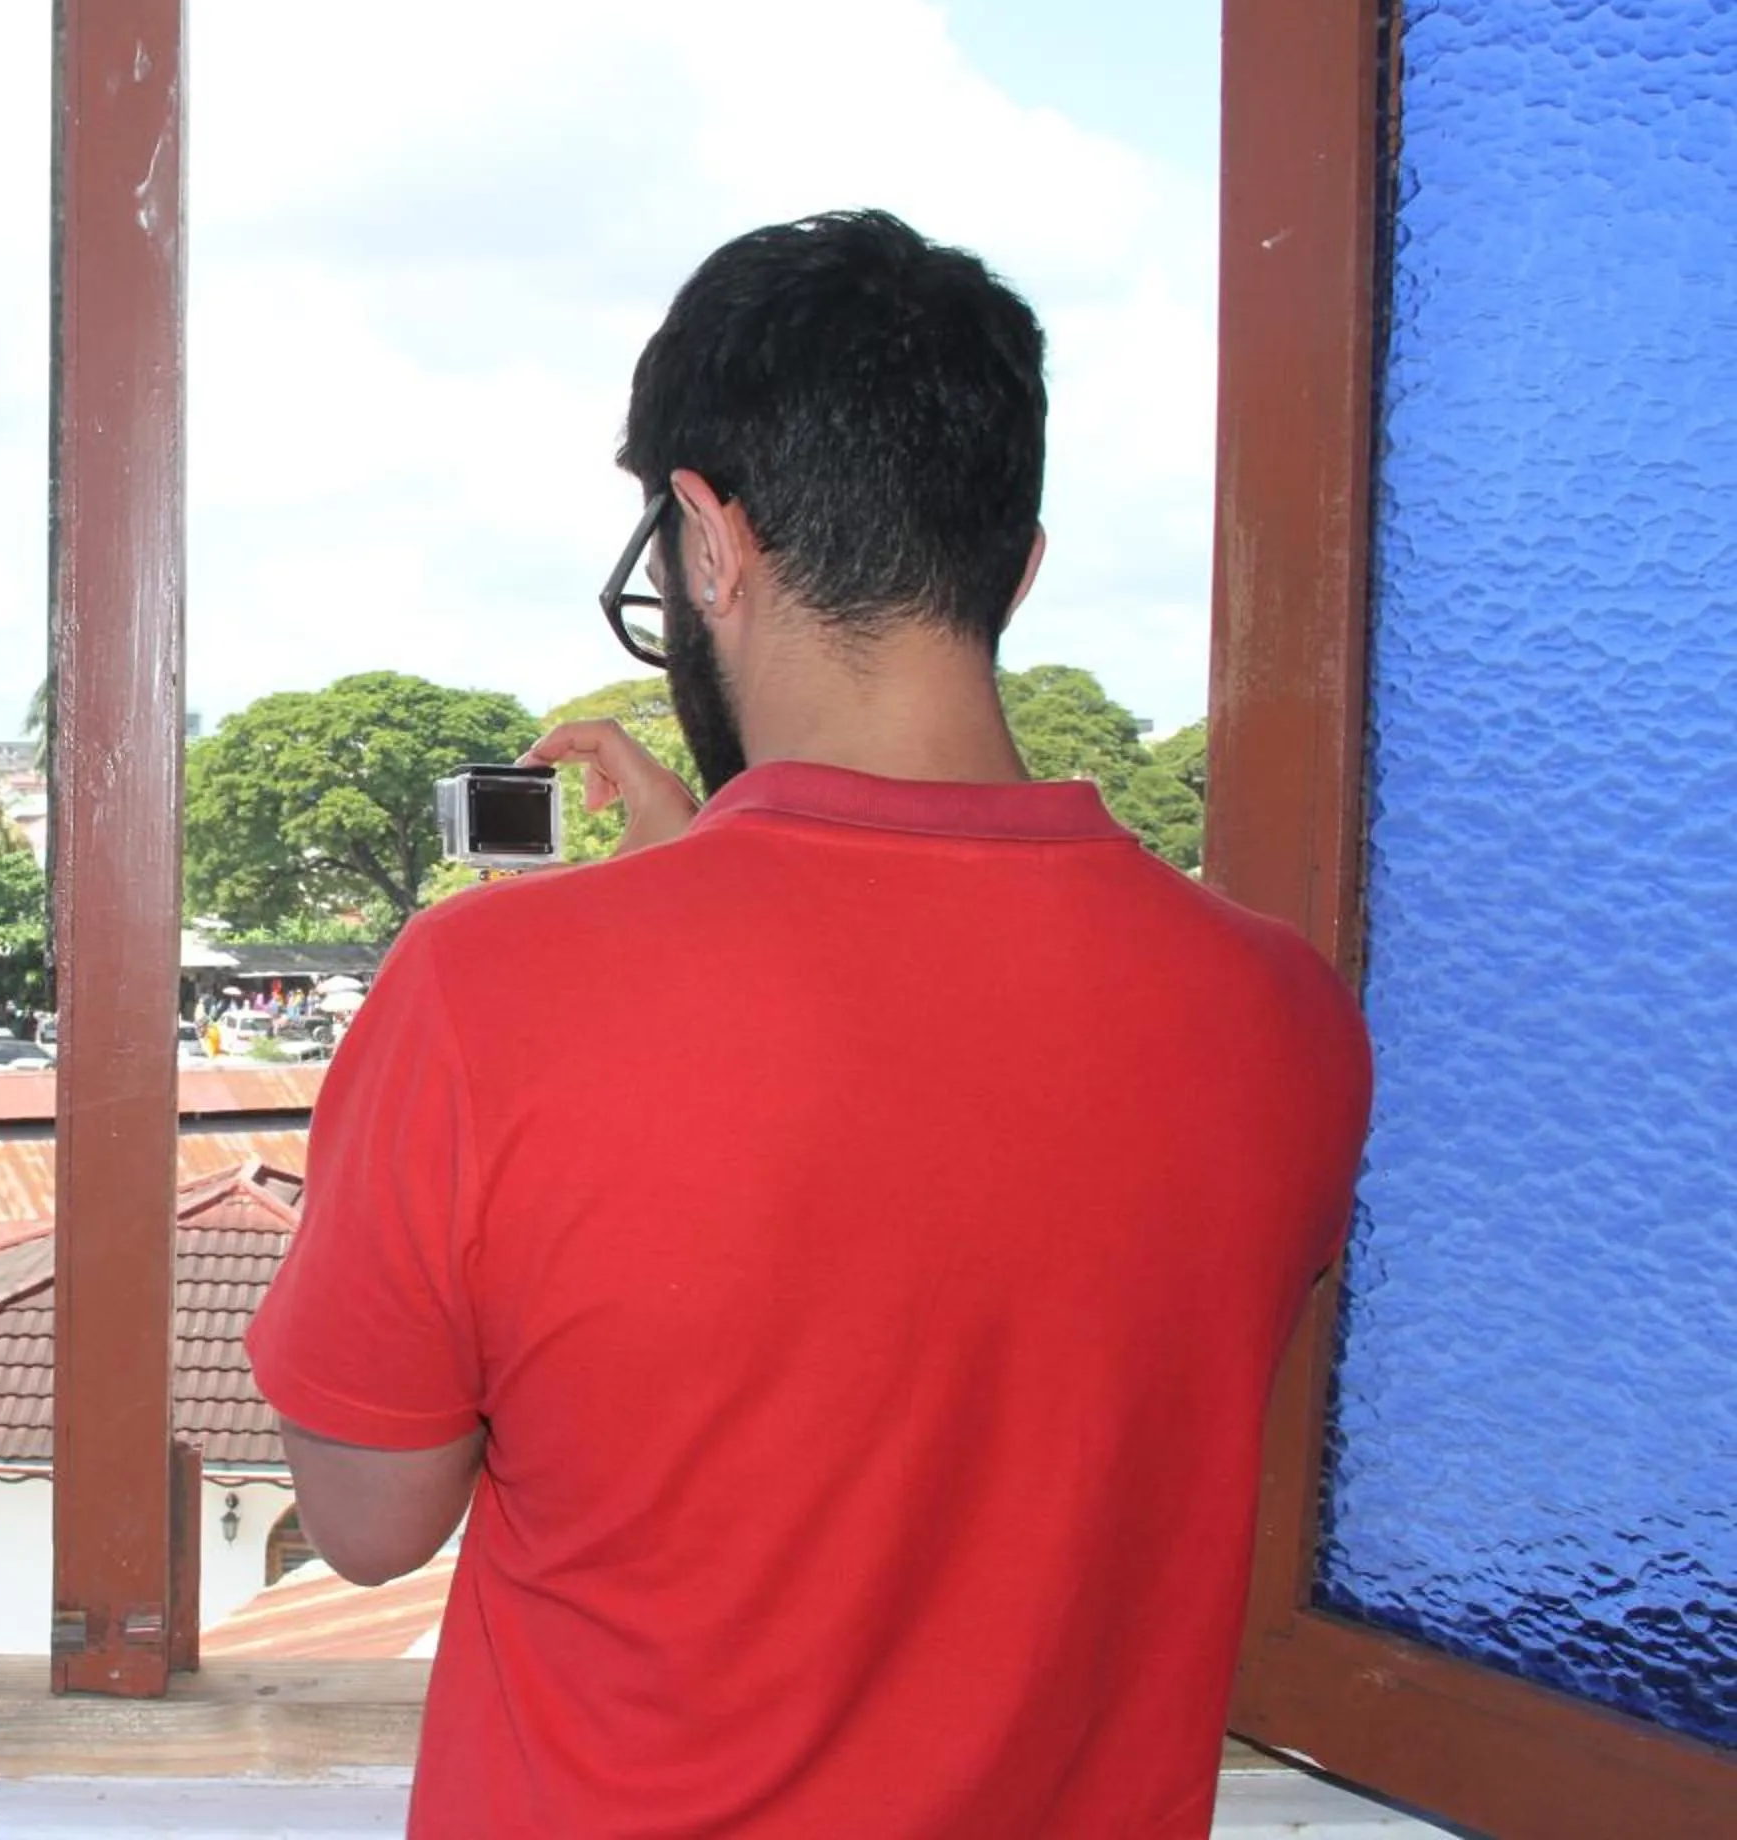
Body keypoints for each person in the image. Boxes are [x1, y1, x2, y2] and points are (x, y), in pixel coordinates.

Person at [247, 210, 1373, 1839]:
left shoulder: (489, 997)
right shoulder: (1284, 1016)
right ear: (1017, 566)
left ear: (711, 541)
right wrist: (703, 886)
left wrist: (604, 962)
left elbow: (366, 1524)